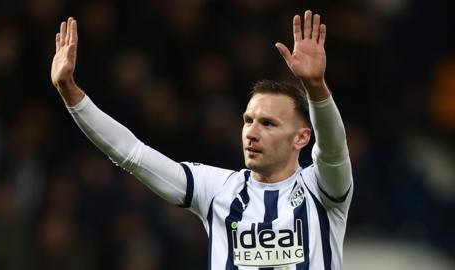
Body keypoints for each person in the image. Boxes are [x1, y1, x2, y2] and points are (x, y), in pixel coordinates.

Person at [51, 10, 353, 270]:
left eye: (268, 123)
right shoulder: (217, 190)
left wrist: (316, 88)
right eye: (248, 120)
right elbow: (131, 153)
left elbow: (333, 150)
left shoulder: (322, 189)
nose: (252, 131)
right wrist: (71, 94)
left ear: (301, 137)